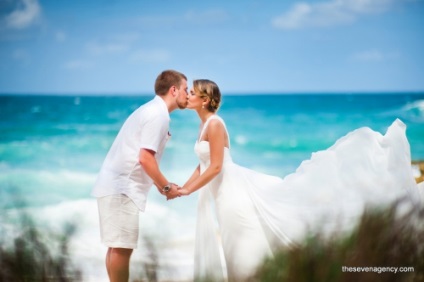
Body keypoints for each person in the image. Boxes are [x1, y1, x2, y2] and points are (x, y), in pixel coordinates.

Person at [168, 79, 422, 281]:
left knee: (240, 248)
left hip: (232, 193)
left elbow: (215, 167)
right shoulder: (203, 126)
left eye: (192, 92)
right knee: (235, 247)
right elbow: (202, 165)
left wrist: (187, 190)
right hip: (222, 194)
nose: (187, 95)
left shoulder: (214, 124)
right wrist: (183, 186)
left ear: (204, 100)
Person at [92, 70, 187, 282]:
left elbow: (142, 158)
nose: (187, 95)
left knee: (117, 248)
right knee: (121, 249)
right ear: (173, 90)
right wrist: (165, 188)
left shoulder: (151, 110)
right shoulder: (158, 115)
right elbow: (145, 158)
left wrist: (161, 185)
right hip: (122, 188)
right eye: (185, 89)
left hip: (116, 185)